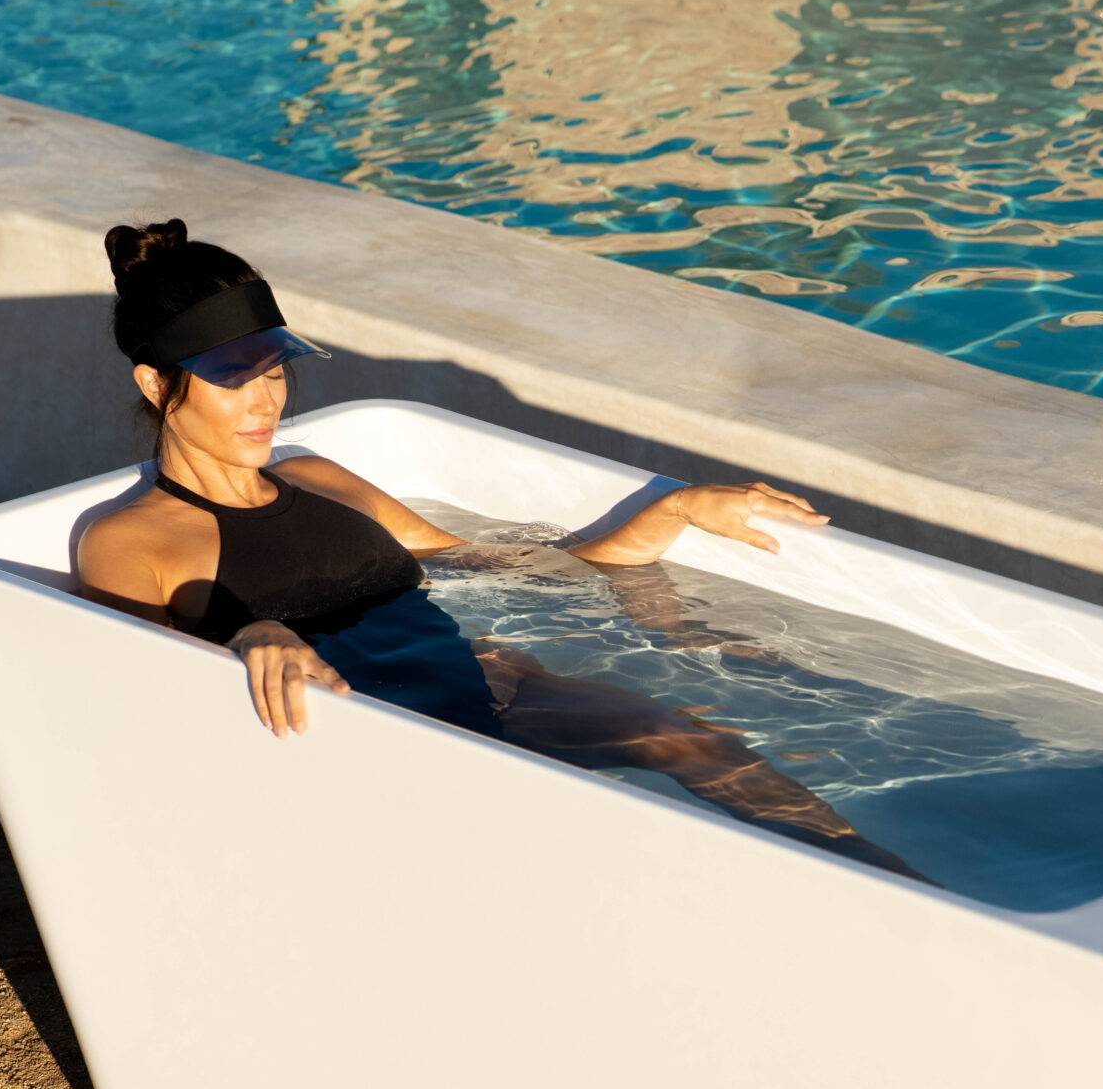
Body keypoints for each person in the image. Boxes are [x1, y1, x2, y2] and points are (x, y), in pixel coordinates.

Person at [74, 220, 923, 879]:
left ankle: (901, 891)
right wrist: (243, 637)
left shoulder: (318, 475)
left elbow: (492, 564)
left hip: (494, 686)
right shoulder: (128, 540)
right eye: (234, 377)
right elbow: (140, 707)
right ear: (155, 382)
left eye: (276, 371)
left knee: (688, 736)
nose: (265, 401)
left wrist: (676, 510)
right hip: (390, 749)